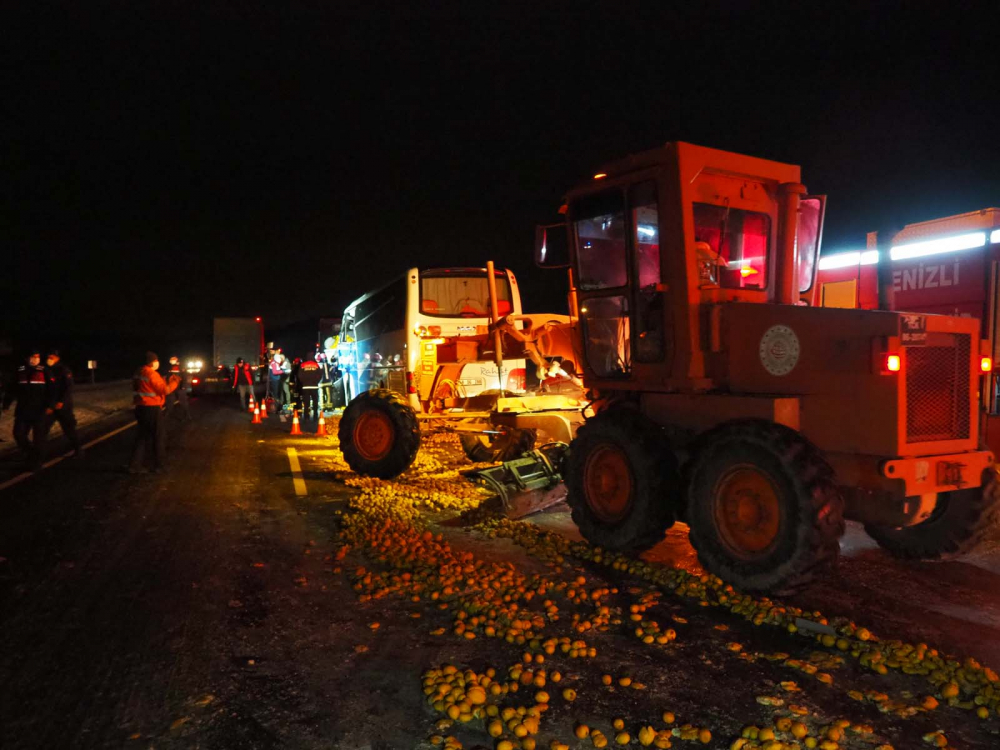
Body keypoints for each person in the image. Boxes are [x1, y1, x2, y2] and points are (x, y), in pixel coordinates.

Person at [128, 351, 180, 474]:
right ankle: (160, 466)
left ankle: (134, 466)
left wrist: (161, 379)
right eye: (156, 360)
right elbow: (165, 390)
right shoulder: (151, 374)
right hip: (152, 408)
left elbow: (147, 386)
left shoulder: (138, 372)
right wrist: (175, 382)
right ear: (152, 362)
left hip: (140, 408)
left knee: (142, 437)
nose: (158, 363)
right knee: (159, 436)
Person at [6, 348, 49, 471]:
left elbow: (52, 390)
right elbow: (12, 389)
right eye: (33, 356)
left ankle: (37, 462)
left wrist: (50, 405)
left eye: (37, 356)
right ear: (27, 358)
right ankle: (31, 454)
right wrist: (6, 403)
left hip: (39, 410)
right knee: (18, 434)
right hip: (23, 410)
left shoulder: (44, 371)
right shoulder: (21, 371)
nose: (35, 359)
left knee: (38, 438)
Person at [44, 349, 84, 458]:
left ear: (58, 358)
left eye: (52, 357)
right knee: (43, 429)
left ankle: (78, 449)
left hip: (63, 406)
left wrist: (61, 401)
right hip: (50, 405)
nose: (49, 359)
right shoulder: (46, 369)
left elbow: (68, 387)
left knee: (68, 429)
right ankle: (38, 454)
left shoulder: (63, 369)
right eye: (49, 356)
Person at [296, 354, 322, 418]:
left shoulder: (302, 365)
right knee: (315, 401)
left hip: (305, 386)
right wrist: (316, 382)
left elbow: (299, 375)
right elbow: (320, 374)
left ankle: (306, 415)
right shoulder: (316, 365)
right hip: (314, 386)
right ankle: (315, 415)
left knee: (306, 402)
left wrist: (303, 382)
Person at [165, 356, 190, 420]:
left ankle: (186, 415)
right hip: (172, 388)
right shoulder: (169, 367)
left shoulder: (181, 367)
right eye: (171, 360)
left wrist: (183, 386)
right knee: (169, 401)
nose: (171, 361)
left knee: (183, 402)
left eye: (173, 360)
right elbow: (167, 377)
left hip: (180, 387)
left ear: (176, 360)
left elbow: (184, 376)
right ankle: (167, 414)